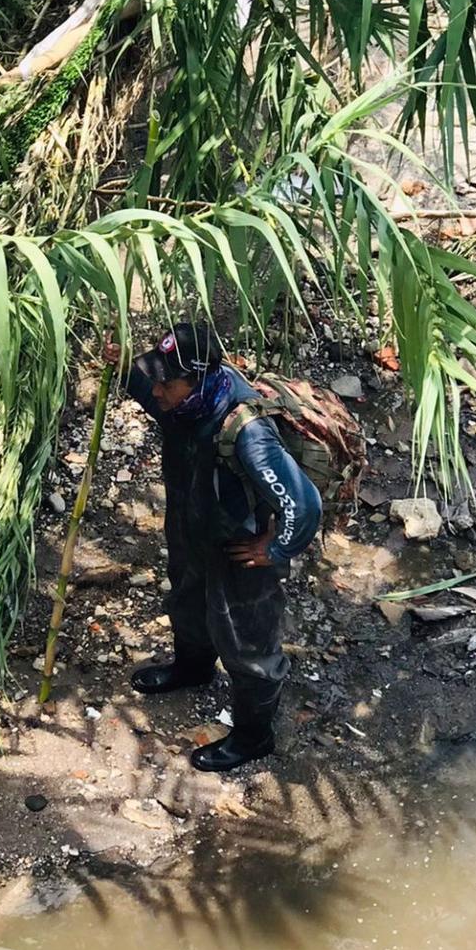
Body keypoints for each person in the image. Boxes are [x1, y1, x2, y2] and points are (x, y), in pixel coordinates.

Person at [102, 323, 322, 773]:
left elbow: (303, 502)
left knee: (247, 641)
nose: (156, 389)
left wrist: (277, 548)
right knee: (187, 600)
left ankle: (253, 736)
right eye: (154, 376)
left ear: (198, 380)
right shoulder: (181, 402)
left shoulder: (247, 432)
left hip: (238, 550)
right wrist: (126, 368)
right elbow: (151, 395)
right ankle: (192, 668)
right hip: (191, 526)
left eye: (167, 381)